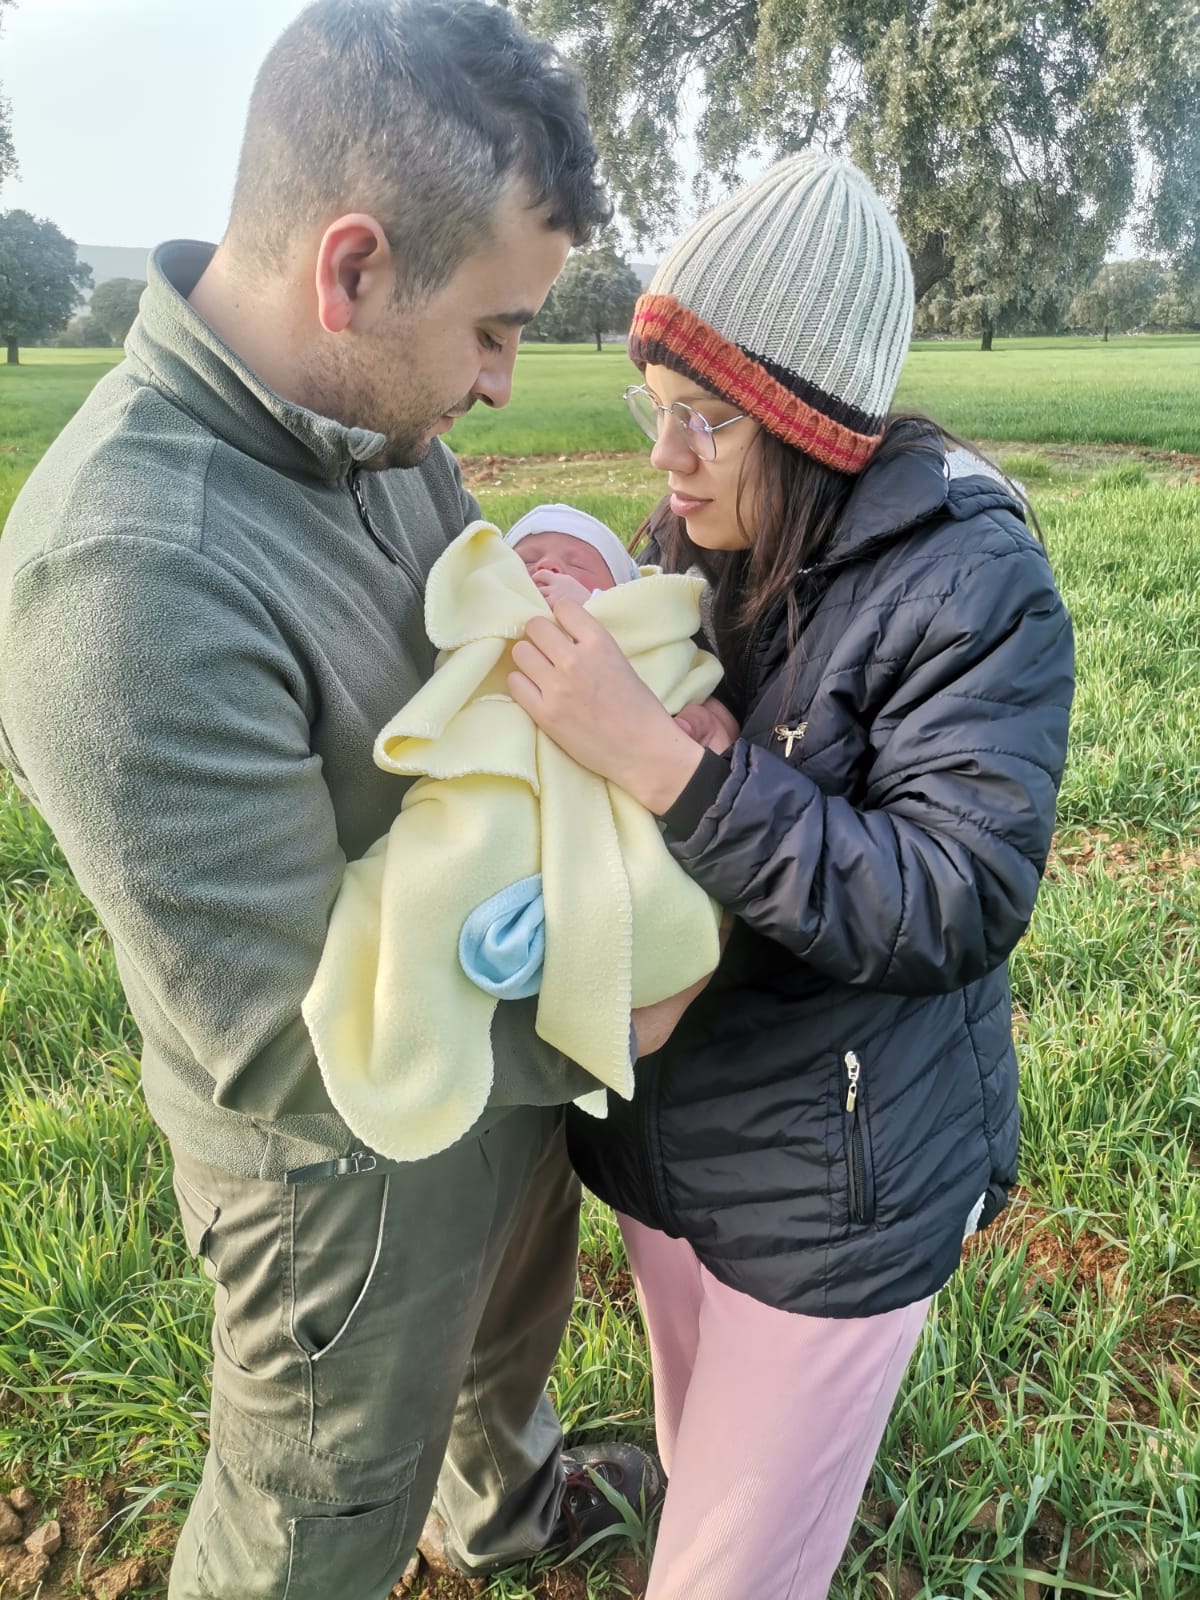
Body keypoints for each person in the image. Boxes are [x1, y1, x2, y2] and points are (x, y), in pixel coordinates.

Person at [0, 3, 664, 1596]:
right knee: (321, 1503)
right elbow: (289, 1039)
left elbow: (465, 632)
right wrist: (623, 1001)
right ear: (352, 268)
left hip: (499, 1064)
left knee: (508, 1346)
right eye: (495, 329)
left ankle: (500, 1512)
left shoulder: (366, 417)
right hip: (341, 1188)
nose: (504, 385)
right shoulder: (127, 579)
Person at [507, 152, 1075, 1599]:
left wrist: (680, 770)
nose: (665, 459)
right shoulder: (699, 536)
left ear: (811, 426)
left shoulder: (971, 579)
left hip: (838, 1192)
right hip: (670, 1153)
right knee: (701, 1476)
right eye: (661, 411)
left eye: (707, 420)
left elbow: (951, 894)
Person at [302, 506, 725, 1165]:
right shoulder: (493, 618)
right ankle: (409, 1015)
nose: (546, 566)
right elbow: (462, 658)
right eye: (526, 557)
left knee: (641, 876)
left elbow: (679, 676)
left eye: (576, 560)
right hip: (494, 768)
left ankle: (553, 925)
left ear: (619, 590)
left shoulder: (638, 628)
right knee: (437, 865)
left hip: (604, 795)